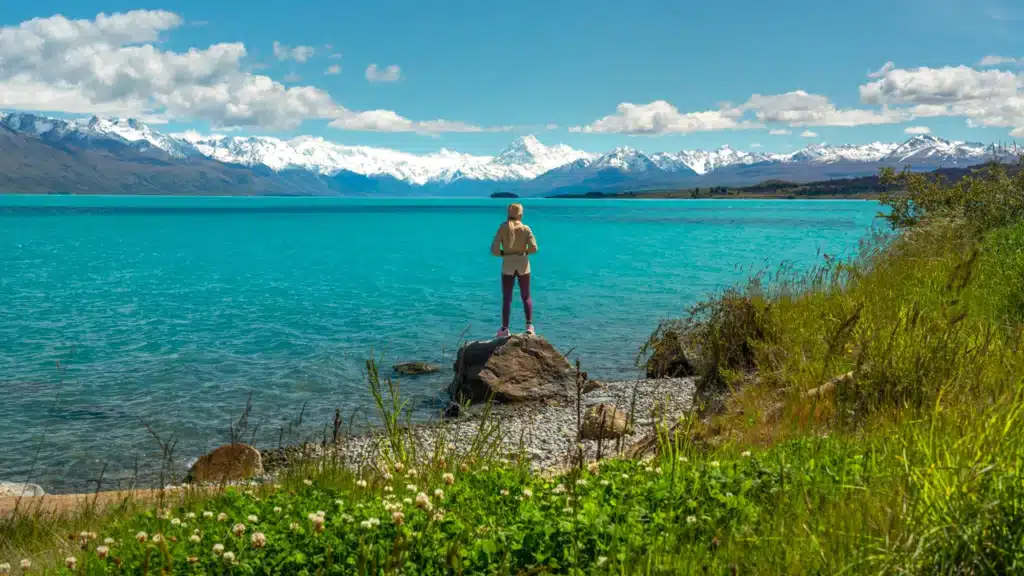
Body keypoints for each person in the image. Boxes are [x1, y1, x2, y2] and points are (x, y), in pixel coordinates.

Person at [490, 203, 538, 337]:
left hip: (508, 264)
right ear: (520, 215)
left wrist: (504, 254)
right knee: (526, 296)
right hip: (523, 264)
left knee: (507, 298)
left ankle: (505, 329)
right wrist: (524, 252)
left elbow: (494, 250)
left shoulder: (502, 228)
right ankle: (529, 326)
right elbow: (534, 248)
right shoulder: (526, 229)